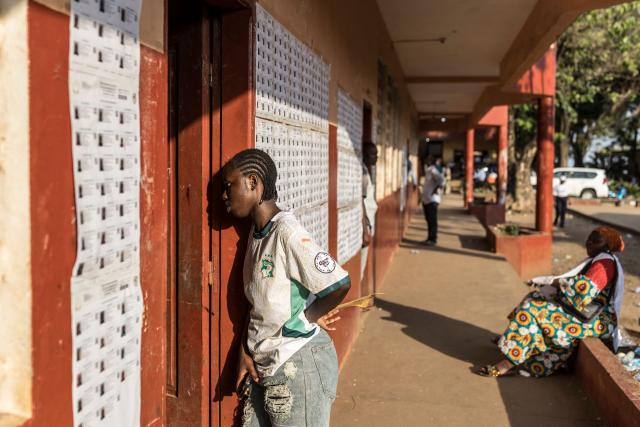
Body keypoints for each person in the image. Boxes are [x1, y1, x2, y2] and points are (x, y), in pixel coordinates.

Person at [222, 149, 351, 426]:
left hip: (298, 363)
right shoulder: (257, 236)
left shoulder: (287, 232)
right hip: (266, 364)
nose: (224, 195)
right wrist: (245, 350)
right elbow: (260, 306)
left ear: (253, 183)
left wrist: (304, 319)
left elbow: (338, 283)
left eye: (229, 185)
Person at [477, 227, 625, 377]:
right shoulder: (599, 258)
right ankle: (515, 343)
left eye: (596, 241)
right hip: (583, 311)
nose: (590, 243)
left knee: (533, 309)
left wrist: (551, 281)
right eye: (589, 238)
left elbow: (583, 291)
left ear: (607, 246)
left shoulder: (604, 265)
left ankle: (508, 364)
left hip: (597, 320)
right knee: (534, 298)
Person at [361, 141, 378, 280]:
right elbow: (361, 202)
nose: (376, 157)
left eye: (376, 154)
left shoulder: (366, 170)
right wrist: (365, 229)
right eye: (373, 154)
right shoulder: (363, 173)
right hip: (365, 225)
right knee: (360, 268)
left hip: (369, 223)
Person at [421, 157, 445, 245]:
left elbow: (442, 180)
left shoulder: (432, 170)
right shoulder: (428, 170)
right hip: (427, 199)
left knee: (432, 220)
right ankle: (430, 238)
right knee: (429, 219)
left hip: (432, 199)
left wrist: (436, 189)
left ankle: (432, 239)